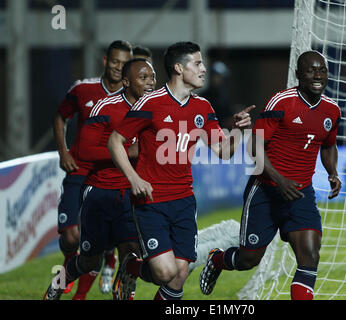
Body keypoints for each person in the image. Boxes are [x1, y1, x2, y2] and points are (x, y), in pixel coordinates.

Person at [107, 41, 254, 300]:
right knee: (165, 272)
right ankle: (130, 266)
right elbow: (115, 141)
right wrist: (134, 178)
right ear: (178, 67)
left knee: (180, 274)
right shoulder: (151, 103)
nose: (203, 69)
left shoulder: (203, 108)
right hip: (151, 202)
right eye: (197, 63)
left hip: (184, 201)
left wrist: (238, 130)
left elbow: (224, 151)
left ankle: (134, 268)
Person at [199, 50, 342, 300]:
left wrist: (333, 172)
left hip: (300, 194)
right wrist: (279, 180)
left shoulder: (331, 110)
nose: (318, 75)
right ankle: (219, 259)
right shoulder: (282, 102)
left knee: (310, 255)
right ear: (298, 74)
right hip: (264, 190)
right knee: (248, 259)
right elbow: (253, 145)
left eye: (322, 70)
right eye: (311, 70)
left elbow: (329, 145)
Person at [43, 58, 156, 300]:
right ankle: (58, 282)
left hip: (132, 196)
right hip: (101, 193)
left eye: (153, 77)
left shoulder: (157, 109)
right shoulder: (105, 107)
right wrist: (129, 152)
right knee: (87, 261)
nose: (150, 83)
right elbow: (85, 151)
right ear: (126, 81)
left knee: (132, 254)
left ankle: (122, 292)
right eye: (143, 78)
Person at [51, 40, 133, 299]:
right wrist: (63, 151)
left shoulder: (135, 99)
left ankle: (80, 293)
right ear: (105, 61)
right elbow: (60, 116)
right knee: (71, 238)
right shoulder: (83, 90)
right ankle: (69, 266)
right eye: (116, 62)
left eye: (124, 64)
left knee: (100, 245)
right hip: (79, 170)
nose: (119, 68)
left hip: (112, 178)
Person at [200, 61, 236, 129]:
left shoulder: (225, 96)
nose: (217, 79)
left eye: (220, 76)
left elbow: (228, 117)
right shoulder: (204, 96)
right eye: (215, 76)